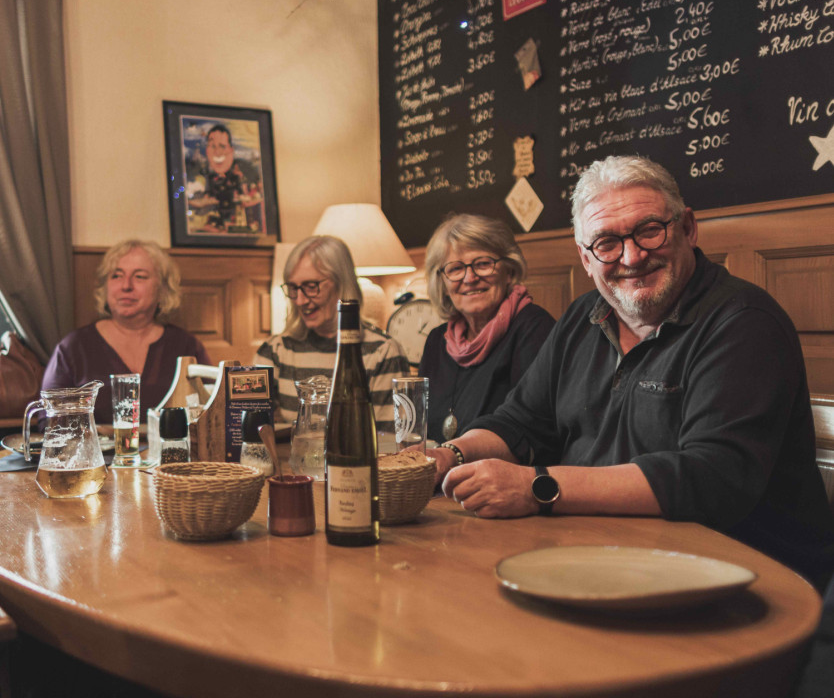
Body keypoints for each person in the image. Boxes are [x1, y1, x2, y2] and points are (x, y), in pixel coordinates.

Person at [432, 155, 834, 591]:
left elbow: (712, 477)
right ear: (586, 259)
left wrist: (537, 487)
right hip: (598, 558)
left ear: (687, 228)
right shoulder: (582, 317)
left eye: (648, 230)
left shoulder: (744, 322)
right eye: (606, 242)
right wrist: (447, 455)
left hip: (745, 580)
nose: (632, 255)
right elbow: (519, 420)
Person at [418, 214, 555, 444]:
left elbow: (533, 428)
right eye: (455, 269)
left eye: (482, 264)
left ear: (509, 270)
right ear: (442, 281)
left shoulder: (535, 329)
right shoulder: (436, 341)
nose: (469, 278)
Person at [42, 240, 212, 424]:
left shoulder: (186, 346)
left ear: (162, 289)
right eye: (116, 275)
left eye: (139, 276)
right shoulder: (73, 347)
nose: (126, 285)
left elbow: (210, 414)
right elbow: (48, 420)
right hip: (98, 453)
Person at [255, 235, 409, 431]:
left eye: (312, 287)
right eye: (294, 288)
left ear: (342, 284)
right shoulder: (274, 351)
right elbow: (261, 433)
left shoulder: (383, 352)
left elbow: (387, 441)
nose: (300, 301)